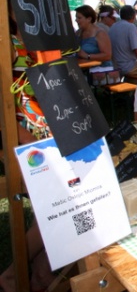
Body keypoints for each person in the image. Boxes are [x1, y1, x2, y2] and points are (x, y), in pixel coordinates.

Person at [0, 17, 54, 292]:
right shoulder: (7, 42)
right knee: (54, 209)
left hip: (47, 130)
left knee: (52, 207)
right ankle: (14, 274)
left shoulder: (40, 39)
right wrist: (25, 139)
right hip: (26, 135)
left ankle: (42, 273)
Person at [108, 5, 137, 83]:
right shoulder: (130, 27)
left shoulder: (113, 26)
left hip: (115, 65)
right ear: (133, 16)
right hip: (127, 66)